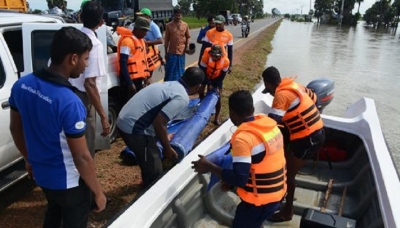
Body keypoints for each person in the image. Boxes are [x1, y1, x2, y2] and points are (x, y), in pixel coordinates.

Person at [9, 26, 106, 228]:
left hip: (42, 175)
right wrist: (98, 192)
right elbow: (81, 157)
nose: (86, 64)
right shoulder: (69, 101)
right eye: (86, 59)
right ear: (73, 59)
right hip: (68, 181)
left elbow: (15, 130)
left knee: (54, 210)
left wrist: (29, 158)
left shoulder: (22, 85)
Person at [192, 90, 287, 228]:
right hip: (277, 194)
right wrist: (229, 182)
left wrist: (208, 165)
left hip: (260, 202)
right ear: (252, 109)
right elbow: (260, 162)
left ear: (232, 113)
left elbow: (240, 179)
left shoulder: (243, 139)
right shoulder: (271, 127)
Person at [116, 67, 204, 188]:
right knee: (155, 168)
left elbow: (157, 119)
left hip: (122, 119)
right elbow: (159, 123)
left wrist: (163, 136)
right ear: (197, 87)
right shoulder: (182, 97)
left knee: (150, 154)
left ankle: (146, 176)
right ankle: (148, 192)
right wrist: (167, 148)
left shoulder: (170, 84)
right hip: (133, 127)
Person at [261, 66, 325, 222]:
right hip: (315, 133)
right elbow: (315, 99)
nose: (269, 93)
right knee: (285, 163)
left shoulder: (281, 96)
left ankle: (287, 212)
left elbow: (271, 126)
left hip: (308, 139)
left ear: (269, 84)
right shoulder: (295, 85)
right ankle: (283, 194)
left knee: (288, 174)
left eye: (267, 89)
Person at [69, 1, 110, 157]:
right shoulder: (95, 44)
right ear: (101, 23)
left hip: (66, 93)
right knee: (86, 146)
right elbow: (90, 84)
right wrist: (104, 118)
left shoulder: (70, 37)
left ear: (80, 16)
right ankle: (86, 179)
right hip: (83, 99)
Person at [117, 16, 151, 105]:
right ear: (137, 29)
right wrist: (130, 83)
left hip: (139, 80)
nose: (146, 33)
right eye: (144, 30)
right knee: (127, 105)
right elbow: (123, 63)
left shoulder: (141, 41)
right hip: (129, 81)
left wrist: (146, 77)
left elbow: (142, 62)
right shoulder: (127, 41)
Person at [199, 44, 230, 125]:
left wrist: (216, 86)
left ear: (220, 55)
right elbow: (202, 71)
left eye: (216, 56)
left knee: (218, 96)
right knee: (201, 91)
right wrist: (208, 82)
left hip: (217, 77)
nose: (214, 58)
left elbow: (222, 75)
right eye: (213, 56)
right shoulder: (206, 57)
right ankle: (202, 107)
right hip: (205, 74)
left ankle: (216, 118)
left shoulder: (226, 61)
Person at [136, 7, 164, 78]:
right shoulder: (142, 25)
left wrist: (147, 43)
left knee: (148, 74)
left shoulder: (153, 26)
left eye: (142, 16)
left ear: (148, 17)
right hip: (143, 52)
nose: (140, 17)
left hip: (150, 53)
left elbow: (161, 40)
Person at [164, 8, 191, 81]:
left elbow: (188, 37)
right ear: (173, 15)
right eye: (176, 15)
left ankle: (179, 84)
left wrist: (187, 46)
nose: (178, 17)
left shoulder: (185, 25)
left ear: (181, 16)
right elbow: (166, 40)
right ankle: (168, 85)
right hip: (172, 52)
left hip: (181, 52)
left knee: (180, 71)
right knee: (170, 71)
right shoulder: (168, 25)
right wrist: (166, 53)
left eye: (179, 15)